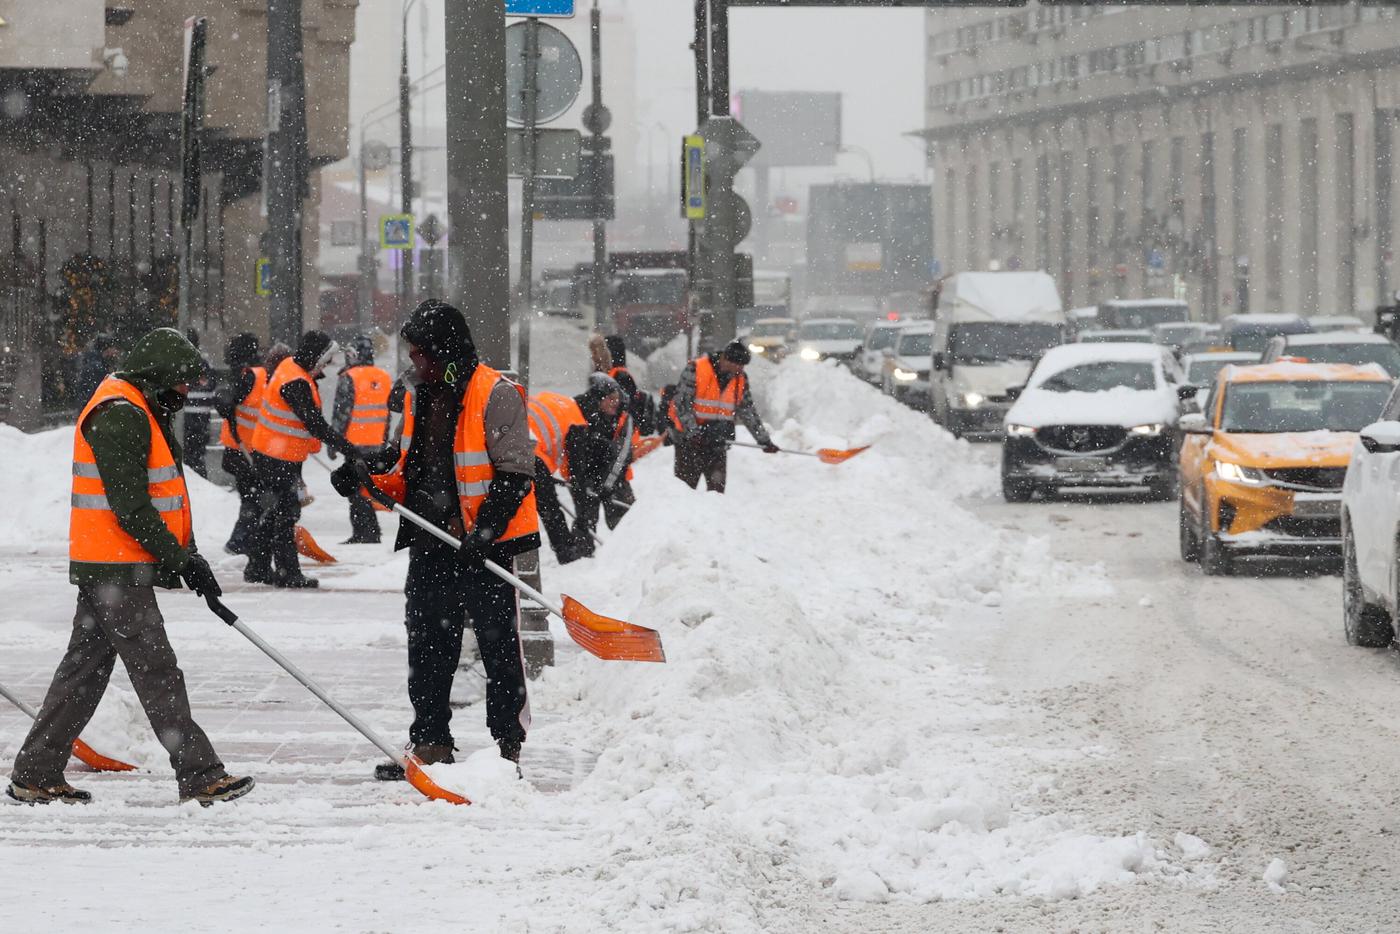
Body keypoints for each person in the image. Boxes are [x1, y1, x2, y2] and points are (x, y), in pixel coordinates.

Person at [6, 327, 253, 806]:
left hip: (116, 564)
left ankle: (35, 772)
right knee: (156, 670)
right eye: (179, 383)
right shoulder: (120, 414)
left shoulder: (140, 407)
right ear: (158, 376)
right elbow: (131, 506)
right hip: (114, 566)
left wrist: (190, 555)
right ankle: (201, 774)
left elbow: (166, 496)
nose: (185, 392)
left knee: (83, 671)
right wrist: (180, 559)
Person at [331, 300, 538, 777]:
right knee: (426, 643)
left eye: (419, 353)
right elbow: (407, 461)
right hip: (431, 539)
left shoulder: (495, 393)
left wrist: (485, 529)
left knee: (499, 649)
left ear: (442, 351)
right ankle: (430, 740)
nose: (412, 362)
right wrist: (366, 473)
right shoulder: (418, 395)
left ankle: (507, 747)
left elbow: (515, 472)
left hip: (487, 543)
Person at [246, 330, 355, 588]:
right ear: (315, 358)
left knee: (273, 512)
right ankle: (287, 573)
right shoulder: (295, 382)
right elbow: (315, 423)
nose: (327, 366)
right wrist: (348, 448)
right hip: (277, 457)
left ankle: (257, 568)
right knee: (285, 515)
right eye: (325, 360)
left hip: (275, 453)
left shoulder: (292, 369)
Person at [529, 374, 629, 564]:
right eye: (611, 399)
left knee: (535, 498)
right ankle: (566, 553)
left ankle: (564, 549)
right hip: (530, 446)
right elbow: (576, 470)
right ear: (599, 398)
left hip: (514, 434)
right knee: (548, 503)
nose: (615, 404)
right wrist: (583, 514)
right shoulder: (576, 420)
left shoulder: (565, 403)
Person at [669, 340, 779, 493]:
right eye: (738, 365)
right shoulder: (696, 369)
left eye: (743, 366)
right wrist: (694, 432)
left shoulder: (740, 378)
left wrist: (764, 440)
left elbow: (747, 410)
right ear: (726, 359)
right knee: (684, 491)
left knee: (717, 493)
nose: (740, 369)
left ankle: (713, 517)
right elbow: (682, 404)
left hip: (717, 443)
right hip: (689, 443)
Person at [329, 335, 393, 544]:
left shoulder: (349, 377)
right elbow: (388, 414)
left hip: (353, 444)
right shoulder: (384, 377)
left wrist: (334, 442)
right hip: (377, 444)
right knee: (366, 486)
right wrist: (384, 441)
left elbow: (341, 414)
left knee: (355, 490)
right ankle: (369, 530)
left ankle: (366, 532)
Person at [213, 332, 265, 556]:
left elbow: (228, 403)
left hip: (244, 448)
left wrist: (223, 397)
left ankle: (243, 540)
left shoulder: (247, 376)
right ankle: (241, 541)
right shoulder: (260, 374)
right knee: (255, 498)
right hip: (252, 449)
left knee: (252, 498)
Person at [182, 329, 216, 478]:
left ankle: (195, 476)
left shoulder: (184, 363)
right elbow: (210, 385)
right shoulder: (203, 364)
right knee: (198, 452)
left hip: (189, 415)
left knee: (191, 452)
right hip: (202, 415)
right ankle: (198, 476)